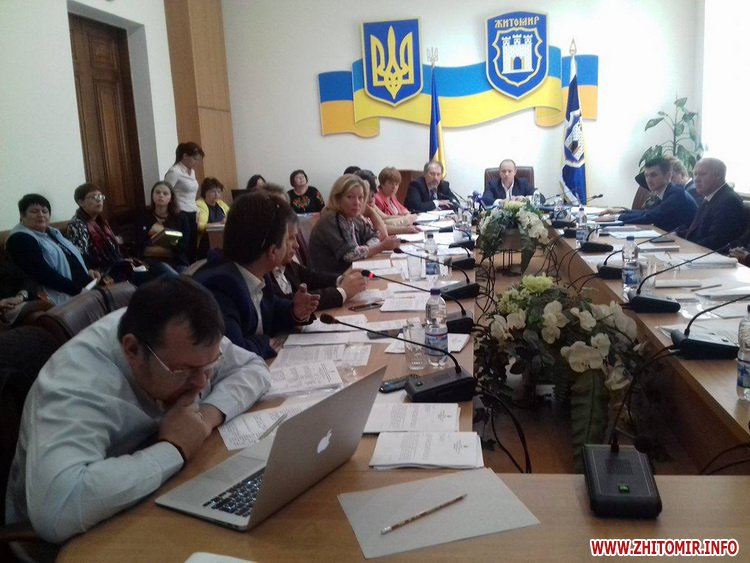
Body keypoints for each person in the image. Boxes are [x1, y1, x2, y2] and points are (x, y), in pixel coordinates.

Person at [5, 276, 271, 544]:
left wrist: (207, 416)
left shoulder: (181, 336)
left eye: (210, 367)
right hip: (79, 535)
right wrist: (174, 447)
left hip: (151, 492)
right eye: (184, 371)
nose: (201, 382)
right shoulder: (77, 380)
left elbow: (253, 368)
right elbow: (56, 510)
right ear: (132, 350)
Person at [194, 192, 319, 359]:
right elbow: (233, 352)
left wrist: (293, 311)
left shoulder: (257, 273)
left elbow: (270, 311)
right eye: (288, 238)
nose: (296, 245)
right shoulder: (220, 286)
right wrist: (265, 343)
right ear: (272, 251)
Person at [5, 194, 98, 305]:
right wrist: (77, 290)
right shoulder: (20, 238)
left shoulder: (52, 232)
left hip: (84, 287)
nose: (41, 214)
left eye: (44, 211)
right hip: (58, 297)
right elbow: (42, 273)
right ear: (22, 215)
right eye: (34, 211)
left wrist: (88, 270)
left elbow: (71, 254)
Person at [265, 213, 367, 309]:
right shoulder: (264, 276)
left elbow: (311, 277)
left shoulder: (286, 264)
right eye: (291, 238)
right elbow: (290, 303)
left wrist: (341, 280)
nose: (297, 245)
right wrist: (342, 292)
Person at [308, 174, 400, 274]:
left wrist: (366, 249)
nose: (357, 203)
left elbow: (375, 235)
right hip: (331, 278)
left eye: (360, 197)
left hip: (350, 272)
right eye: (350, 197)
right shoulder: (332, 219)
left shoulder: (353, 217)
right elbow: (350, 254)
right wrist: (381, 247)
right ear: (338, 199)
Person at [595, 157, 697, 232]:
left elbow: (649, 217)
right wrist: (619, 213)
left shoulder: (676, 194)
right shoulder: (667, 192)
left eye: (653, 175)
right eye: (646, 175)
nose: (648, 180)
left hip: (689, 244)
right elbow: (646, 212)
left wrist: (615, 218)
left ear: (668, 176)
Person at [65, 182, 140, 282]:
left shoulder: (101, 222)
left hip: (114, 266)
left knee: (153, 269)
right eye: (94, 197)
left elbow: (113, 248)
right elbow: (80, 256)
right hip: (100, 273)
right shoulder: (77, 224)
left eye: (100, 196)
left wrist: (123, 260)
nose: (99, 200)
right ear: (81, 202)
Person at [681, 157, 745, 251]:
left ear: (718, 175)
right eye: (695, 174)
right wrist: (678, 234)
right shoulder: (710, 196)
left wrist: (685, 248)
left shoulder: (729, 200)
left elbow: (717, 240)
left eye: (702, 174)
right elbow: (698, 230)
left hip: (711, 255)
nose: (696, 179)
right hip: (696, 251)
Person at [135, 181, 190, 273]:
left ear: (171, 198)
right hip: (150, 261)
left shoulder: (180, 217)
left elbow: (184, 246)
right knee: (165, 270)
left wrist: (170, 241)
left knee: (186, 275)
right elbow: (138, 241)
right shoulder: (143, 215)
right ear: (152, 196)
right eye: (157, 192)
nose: (161, 195)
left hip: (176, 260)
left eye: (165, 193)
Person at [164, 142, 204, 263]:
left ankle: (192, 268)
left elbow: (191, 195)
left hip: (192, 211)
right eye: (195, 159)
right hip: (180, 212)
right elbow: (166, 192)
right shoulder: (174, 171)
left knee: (192, 246)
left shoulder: (191, 172)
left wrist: (197, 210)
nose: (196, 162)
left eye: (198, 160)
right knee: (183, 246)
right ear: (185, 156)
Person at [371, 167, 419, 233]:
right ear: (382, 183)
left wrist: (406, 213)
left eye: (396, 184)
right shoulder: (376, 198)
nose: (394, 187)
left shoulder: (391, 195)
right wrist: (405, 219)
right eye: (390, 183)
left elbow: (403, 209)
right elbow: (383, 221)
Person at [196, 177, 230, 259]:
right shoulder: (200, 204)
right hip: (207, 242)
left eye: (219, 192)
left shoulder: (221, 204)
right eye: (213, 191)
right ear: (205, 192)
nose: (216, 194)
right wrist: (219, 223)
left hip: (222, 239)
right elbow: (200, 226)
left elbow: (232, 215)